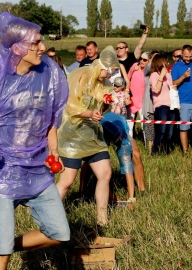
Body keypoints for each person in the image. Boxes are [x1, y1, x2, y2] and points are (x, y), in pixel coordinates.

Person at [0, 12, 70, 269]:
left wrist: (54, 149)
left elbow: (52, 118)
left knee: (59, 233)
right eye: (36, 43)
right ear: (17, 47)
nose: (42, 47)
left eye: (41, 41)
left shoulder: (48, 73)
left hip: (37, 169)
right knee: (2, 251)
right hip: (3, 170)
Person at [57, 46, 119, 226]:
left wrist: (107, 102)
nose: (109, 77)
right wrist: (89, 113)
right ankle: (50, 217)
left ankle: (102, 219)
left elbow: (100, 107)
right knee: (67, 181)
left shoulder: (103, 83)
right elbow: (71, 106)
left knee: (105, 173)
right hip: (72, 137)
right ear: (101, 67)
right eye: (109, 73)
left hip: (93, 136)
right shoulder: (81, 75)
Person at [172, 45, 192, 154]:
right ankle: (185, 151)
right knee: (184, 128)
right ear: (182, 55)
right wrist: (184, 76)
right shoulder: (176, 67)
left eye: (190, 56)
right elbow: (174, 83)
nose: (188, 59)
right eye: (186, 56)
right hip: (184, 102)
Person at [150, 54, 178, 155]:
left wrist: (173, 88)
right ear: (161, 62)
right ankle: (155, 152)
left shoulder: (169, 75)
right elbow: (156, 89)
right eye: (166, 61)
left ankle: (165, 152)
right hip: (161, 106)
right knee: (161, 131)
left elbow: (170, 88)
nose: (168, 63)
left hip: (171, 106)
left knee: (169, 133)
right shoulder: (154, 75)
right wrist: (161, 75)